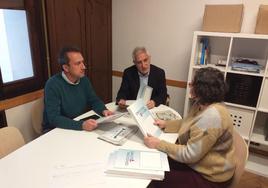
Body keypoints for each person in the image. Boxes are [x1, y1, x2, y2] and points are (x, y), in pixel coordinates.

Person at [144, 67, 235, 188]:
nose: (189, 84)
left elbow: (189, 154)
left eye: (193, 83)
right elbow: (188, 122)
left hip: (210, 177)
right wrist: (166, 124)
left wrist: (158, 144)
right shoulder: (202, 104)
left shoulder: (212, 117)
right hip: (201, 162)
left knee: (155, 176)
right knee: (160, 161)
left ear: (202, 89)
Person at [43, 46, 113, 132]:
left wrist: (103, 110)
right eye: (78, 63)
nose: (84, 67)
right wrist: (82, 125)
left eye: (83, 62)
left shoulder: (83, 80)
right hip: (55, 129)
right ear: (66, 68)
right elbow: (54, 118)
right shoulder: (52, 84)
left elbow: (94, 100)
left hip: (76, 122)